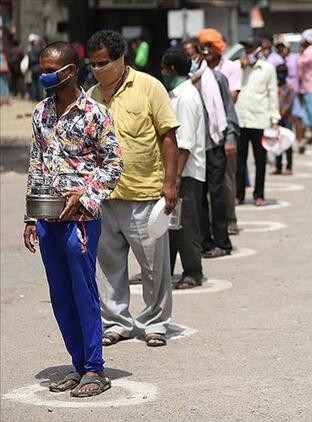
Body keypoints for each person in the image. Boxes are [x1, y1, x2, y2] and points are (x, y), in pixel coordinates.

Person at [23, 41, 122, 396]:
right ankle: (77, 364)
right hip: (47, 217)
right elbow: (36, 163)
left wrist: (86, 194)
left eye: (52, 68)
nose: (45, 74)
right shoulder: (40, 113)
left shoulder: (96, 113)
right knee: (61, 294)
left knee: (83, 291)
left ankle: (96, 368)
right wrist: (30, 217)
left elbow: (113, 164)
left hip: (80, 218)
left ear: (71, 70)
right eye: (41, 67)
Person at [87, 30, 180, 348]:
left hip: (145, 195)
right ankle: (116, 321)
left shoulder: (149, 87)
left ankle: (156, 322)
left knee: (154, 266)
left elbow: (168, 135)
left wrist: (171, 182)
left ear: (120, 58)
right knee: (110, 266)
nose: (98, 70)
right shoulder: (92, 97)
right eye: (93, 64)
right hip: (105, 198)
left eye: (103, 63)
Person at [162, 47, 206, 289]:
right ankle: (163, 270)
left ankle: (193, 271)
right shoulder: (175, 94)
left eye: (163, 67)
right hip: (175, 170)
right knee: (170, 223)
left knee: (187, 224)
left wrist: (175, 178)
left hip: (186, 172)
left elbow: (185, 143)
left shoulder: (186, 97)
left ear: (172, 69)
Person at [197, 28, 242, 234]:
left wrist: (230, 137)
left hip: (222, 135)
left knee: (225, 183)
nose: (206, 51)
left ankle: (229, 221)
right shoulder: (197, 74)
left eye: (209, 46)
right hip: (201, 140)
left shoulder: (227, 71)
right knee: (205, 190)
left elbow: (230, 102)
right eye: (202, 46)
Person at [236, 35, 280, 206]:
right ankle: (239, 194)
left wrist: (274, 119)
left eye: (251, 48)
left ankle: (259, 194)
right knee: (240, 160)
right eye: (246, 48)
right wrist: (240, 66)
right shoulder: (238, 68)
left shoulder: (268, 69)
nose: (248, 52)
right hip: (241, 119)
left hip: (260, 120)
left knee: (260, 160)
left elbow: (272, 94)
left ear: (259, 49)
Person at [274, 63, 294, 175]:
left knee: (287, 143)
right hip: (277, 118)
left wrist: (281, 113)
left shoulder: (290, 88)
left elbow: (289, 104)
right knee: (277, 143)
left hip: (286, 119)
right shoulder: (274, 87)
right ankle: (278, 167)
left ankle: (289, 166)